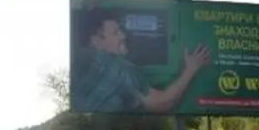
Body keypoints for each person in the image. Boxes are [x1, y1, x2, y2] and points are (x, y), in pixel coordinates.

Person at [72, 9, 210, 113]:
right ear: (96, 41)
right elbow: (163, 102)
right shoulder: (120, 68)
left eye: (120, 30)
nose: (123, 36)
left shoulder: (77, 61)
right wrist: (191, 69)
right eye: (116, 33)